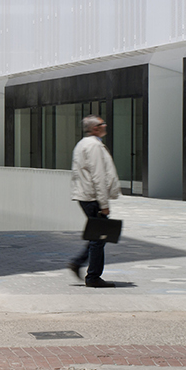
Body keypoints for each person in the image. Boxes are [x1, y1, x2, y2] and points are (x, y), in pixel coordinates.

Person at [68, 113, 121, 287]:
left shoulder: (83, 144)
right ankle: (93, 277)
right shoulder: (94, 146)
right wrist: (104, 204)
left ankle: (78, 263)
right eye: (102, 123)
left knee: (96, 235)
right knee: (99, 237)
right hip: (92, 197)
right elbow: (98, 176)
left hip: (86, 196)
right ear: (95, 128)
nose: (105, 125)